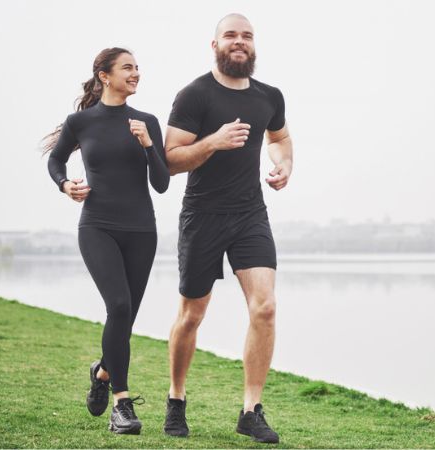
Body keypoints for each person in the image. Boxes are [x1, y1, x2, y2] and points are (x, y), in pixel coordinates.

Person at [162, 13, 293, 443]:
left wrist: (283, 164)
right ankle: (176, 399)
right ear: (215, 44)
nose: (240, 42)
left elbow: (279, 138)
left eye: (247, 36)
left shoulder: (269, 96)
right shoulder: (194, 95)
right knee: (191, 315)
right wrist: (213, 142)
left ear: (254, 46)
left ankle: (251, 410)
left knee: (266, 307)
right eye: (231, 35)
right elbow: (169, 159)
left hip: (249, 214)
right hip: (202, 215)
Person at [44, 47, 169, 435]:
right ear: (104, 75)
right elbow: (55, 160)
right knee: (118, 304)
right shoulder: (80, 122)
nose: (136, 73)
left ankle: (101, 373)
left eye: (137, 68)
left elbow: (162, 184)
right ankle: (122, 405)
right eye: (128, 68)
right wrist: (65, 184)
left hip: (142, 231)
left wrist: (149, 144)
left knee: (124, 318)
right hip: (97, 226)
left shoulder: (146, 121)